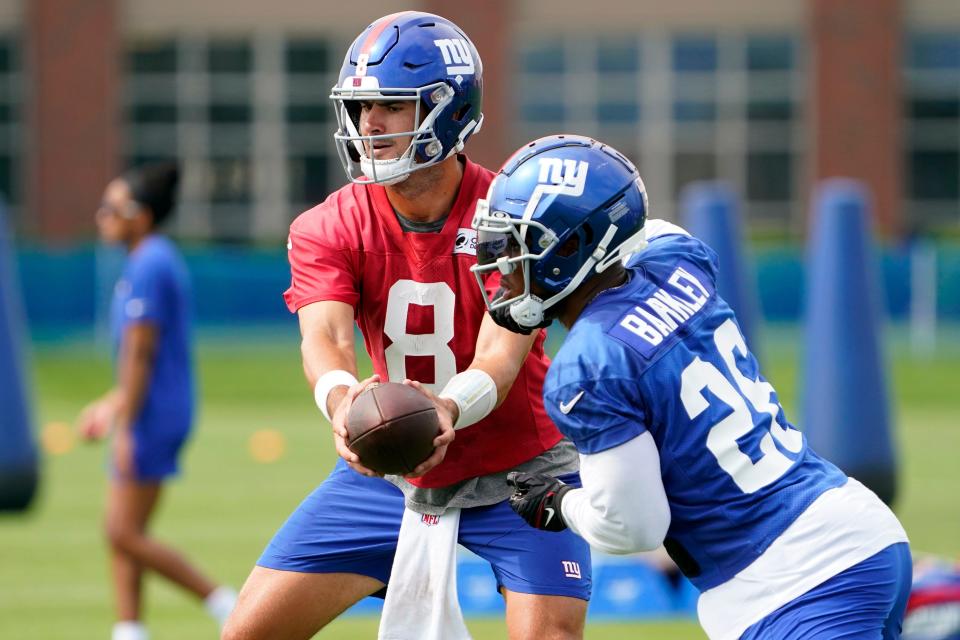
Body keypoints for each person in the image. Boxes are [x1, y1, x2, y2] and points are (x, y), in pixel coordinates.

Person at [221, 12, 590, 640]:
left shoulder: (512, 213)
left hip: (523, 468)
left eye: (391, 104)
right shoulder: (328, 224)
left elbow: (503, 353)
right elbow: (327, 338)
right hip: (393, 467)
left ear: (448, 111)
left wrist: (445, 408)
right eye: (363, 105)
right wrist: (343, 403)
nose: (370, 123)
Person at [473, 134, 913, 639]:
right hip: (851, 532)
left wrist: (558, 504)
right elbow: (644, 229)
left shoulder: (588, 367)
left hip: (794, 580)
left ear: (573, 246)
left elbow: (634, 526)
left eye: (518, 245)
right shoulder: (675, 260)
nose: (503, 265)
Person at [77, 162, 237, 640]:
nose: (102, 216)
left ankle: (224, 602)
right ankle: (129, 628)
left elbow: (141, 354)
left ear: (140, 216)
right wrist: (111, 404)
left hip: (153, 412)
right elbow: (137, 357)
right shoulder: (148, 259)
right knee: (123, 527)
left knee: (121, 532)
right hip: (147, 405)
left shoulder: (150, 263)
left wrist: (124, 424)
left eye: (113, 208)